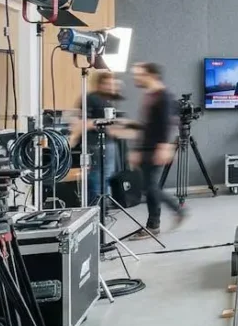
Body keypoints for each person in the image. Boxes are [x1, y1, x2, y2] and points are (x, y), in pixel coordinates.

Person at [128, 62, 187, 239]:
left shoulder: (164, 96)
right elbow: (149, 125)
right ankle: (157, 222)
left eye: (139, 74)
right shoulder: (151, 95)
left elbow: (167, 123)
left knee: (150, 186)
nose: (135, 78)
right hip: (147, 147)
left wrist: (164, 146)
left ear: (151, 75)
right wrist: (137, 147)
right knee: (150, 187)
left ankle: (164, 218)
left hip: (155, 148)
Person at [71, 70, 122, 207]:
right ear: (100, 83)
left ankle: (102, 208)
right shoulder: (90, 98)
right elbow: (82, 122)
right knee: (97, 178)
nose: (111, 85)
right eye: (107, 83)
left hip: (108, 143)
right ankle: (96, 209)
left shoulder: (108, 100)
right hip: (95, 145)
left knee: (105, 177)